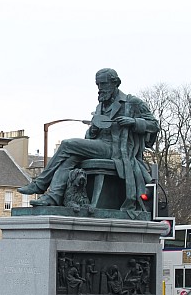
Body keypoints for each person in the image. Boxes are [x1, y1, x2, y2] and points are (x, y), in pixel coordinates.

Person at [18, 68, 159, 209]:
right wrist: (93, 129)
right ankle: (53, 196)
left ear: (115, 83)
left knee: (67, 144)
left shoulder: (131, 102)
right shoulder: (100, 106)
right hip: (99, 145)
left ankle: (40, 184)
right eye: (97, 85)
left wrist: (133, 122)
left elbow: (153, 125)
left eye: (103, 84)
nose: (99, 89)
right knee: (69, 159)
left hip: (117, 150)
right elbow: (90, 137)